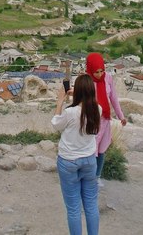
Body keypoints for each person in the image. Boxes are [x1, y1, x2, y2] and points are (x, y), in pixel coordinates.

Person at [54, 74, 102, 235]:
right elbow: (85, 108)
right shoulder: (98, 109)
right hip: (89, 161)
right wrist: (79, 94)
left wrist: (60, 101)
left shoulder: (70, 112)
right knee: (90, 204)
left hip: (68, 161)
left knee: (74, 208)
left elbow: (56, 124)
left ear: (79, 91)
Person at [85, 53, 127, 180]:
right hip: (91, 121)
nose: (99, 74)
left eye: (101, 70)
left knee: (102, 149)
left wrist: (121, 116)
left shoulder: (107, 78)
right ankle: (89, 178)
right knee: (91, 150)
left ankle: (97, 177)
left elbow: (113, 97)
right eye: (96, 72)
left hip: (104, 120)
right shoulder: (86, 80)